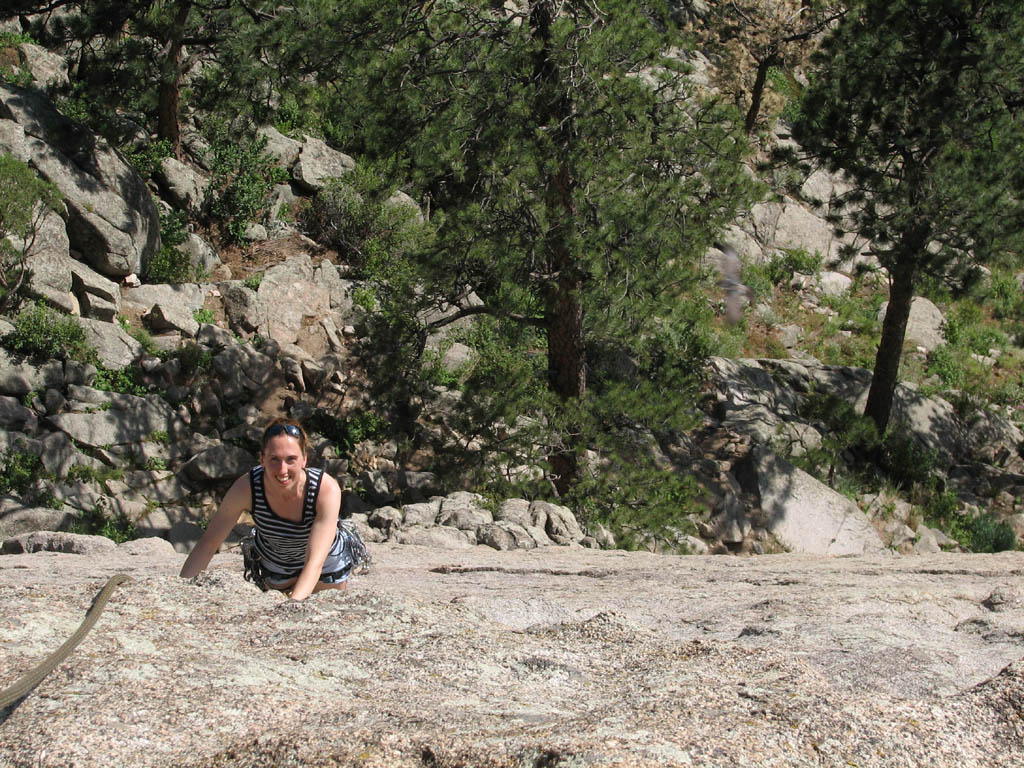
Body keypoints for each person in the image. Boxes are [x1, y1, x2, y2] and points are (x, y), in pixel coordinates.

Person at [180, 418, 367, 601]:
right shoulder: (247, 488)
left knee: (324, 607)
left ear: (304, 459)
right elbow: (210, 542)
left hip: (326, 563)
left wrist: (291, 606)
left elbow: (315, 561)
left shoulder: (325, 490)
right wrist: (181, 592)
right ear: (262, 459)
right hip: (276, 563)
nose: (282, 469)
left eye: (291, 459)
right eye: (274, 459)